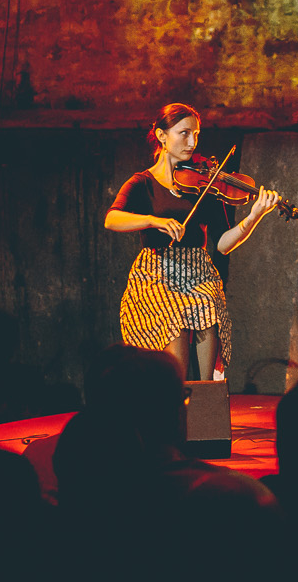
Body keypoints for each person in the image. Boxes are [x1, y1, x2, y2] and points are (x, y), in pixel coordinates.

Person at [105, 103, 282, 381]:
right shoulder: (143, 183)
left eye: (196, 134)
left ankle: (207, 407)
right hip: (156, 274)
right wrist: (153, 220)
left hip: (199, 273)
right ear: (162, 136)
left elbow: (223, 244)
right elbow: (112, 219)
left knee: (208, 313)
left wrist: (255, 215)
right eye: (184, 133)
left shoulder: (206, 183)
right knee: (177, 325)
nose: (192, 142)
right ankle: (174, 406)